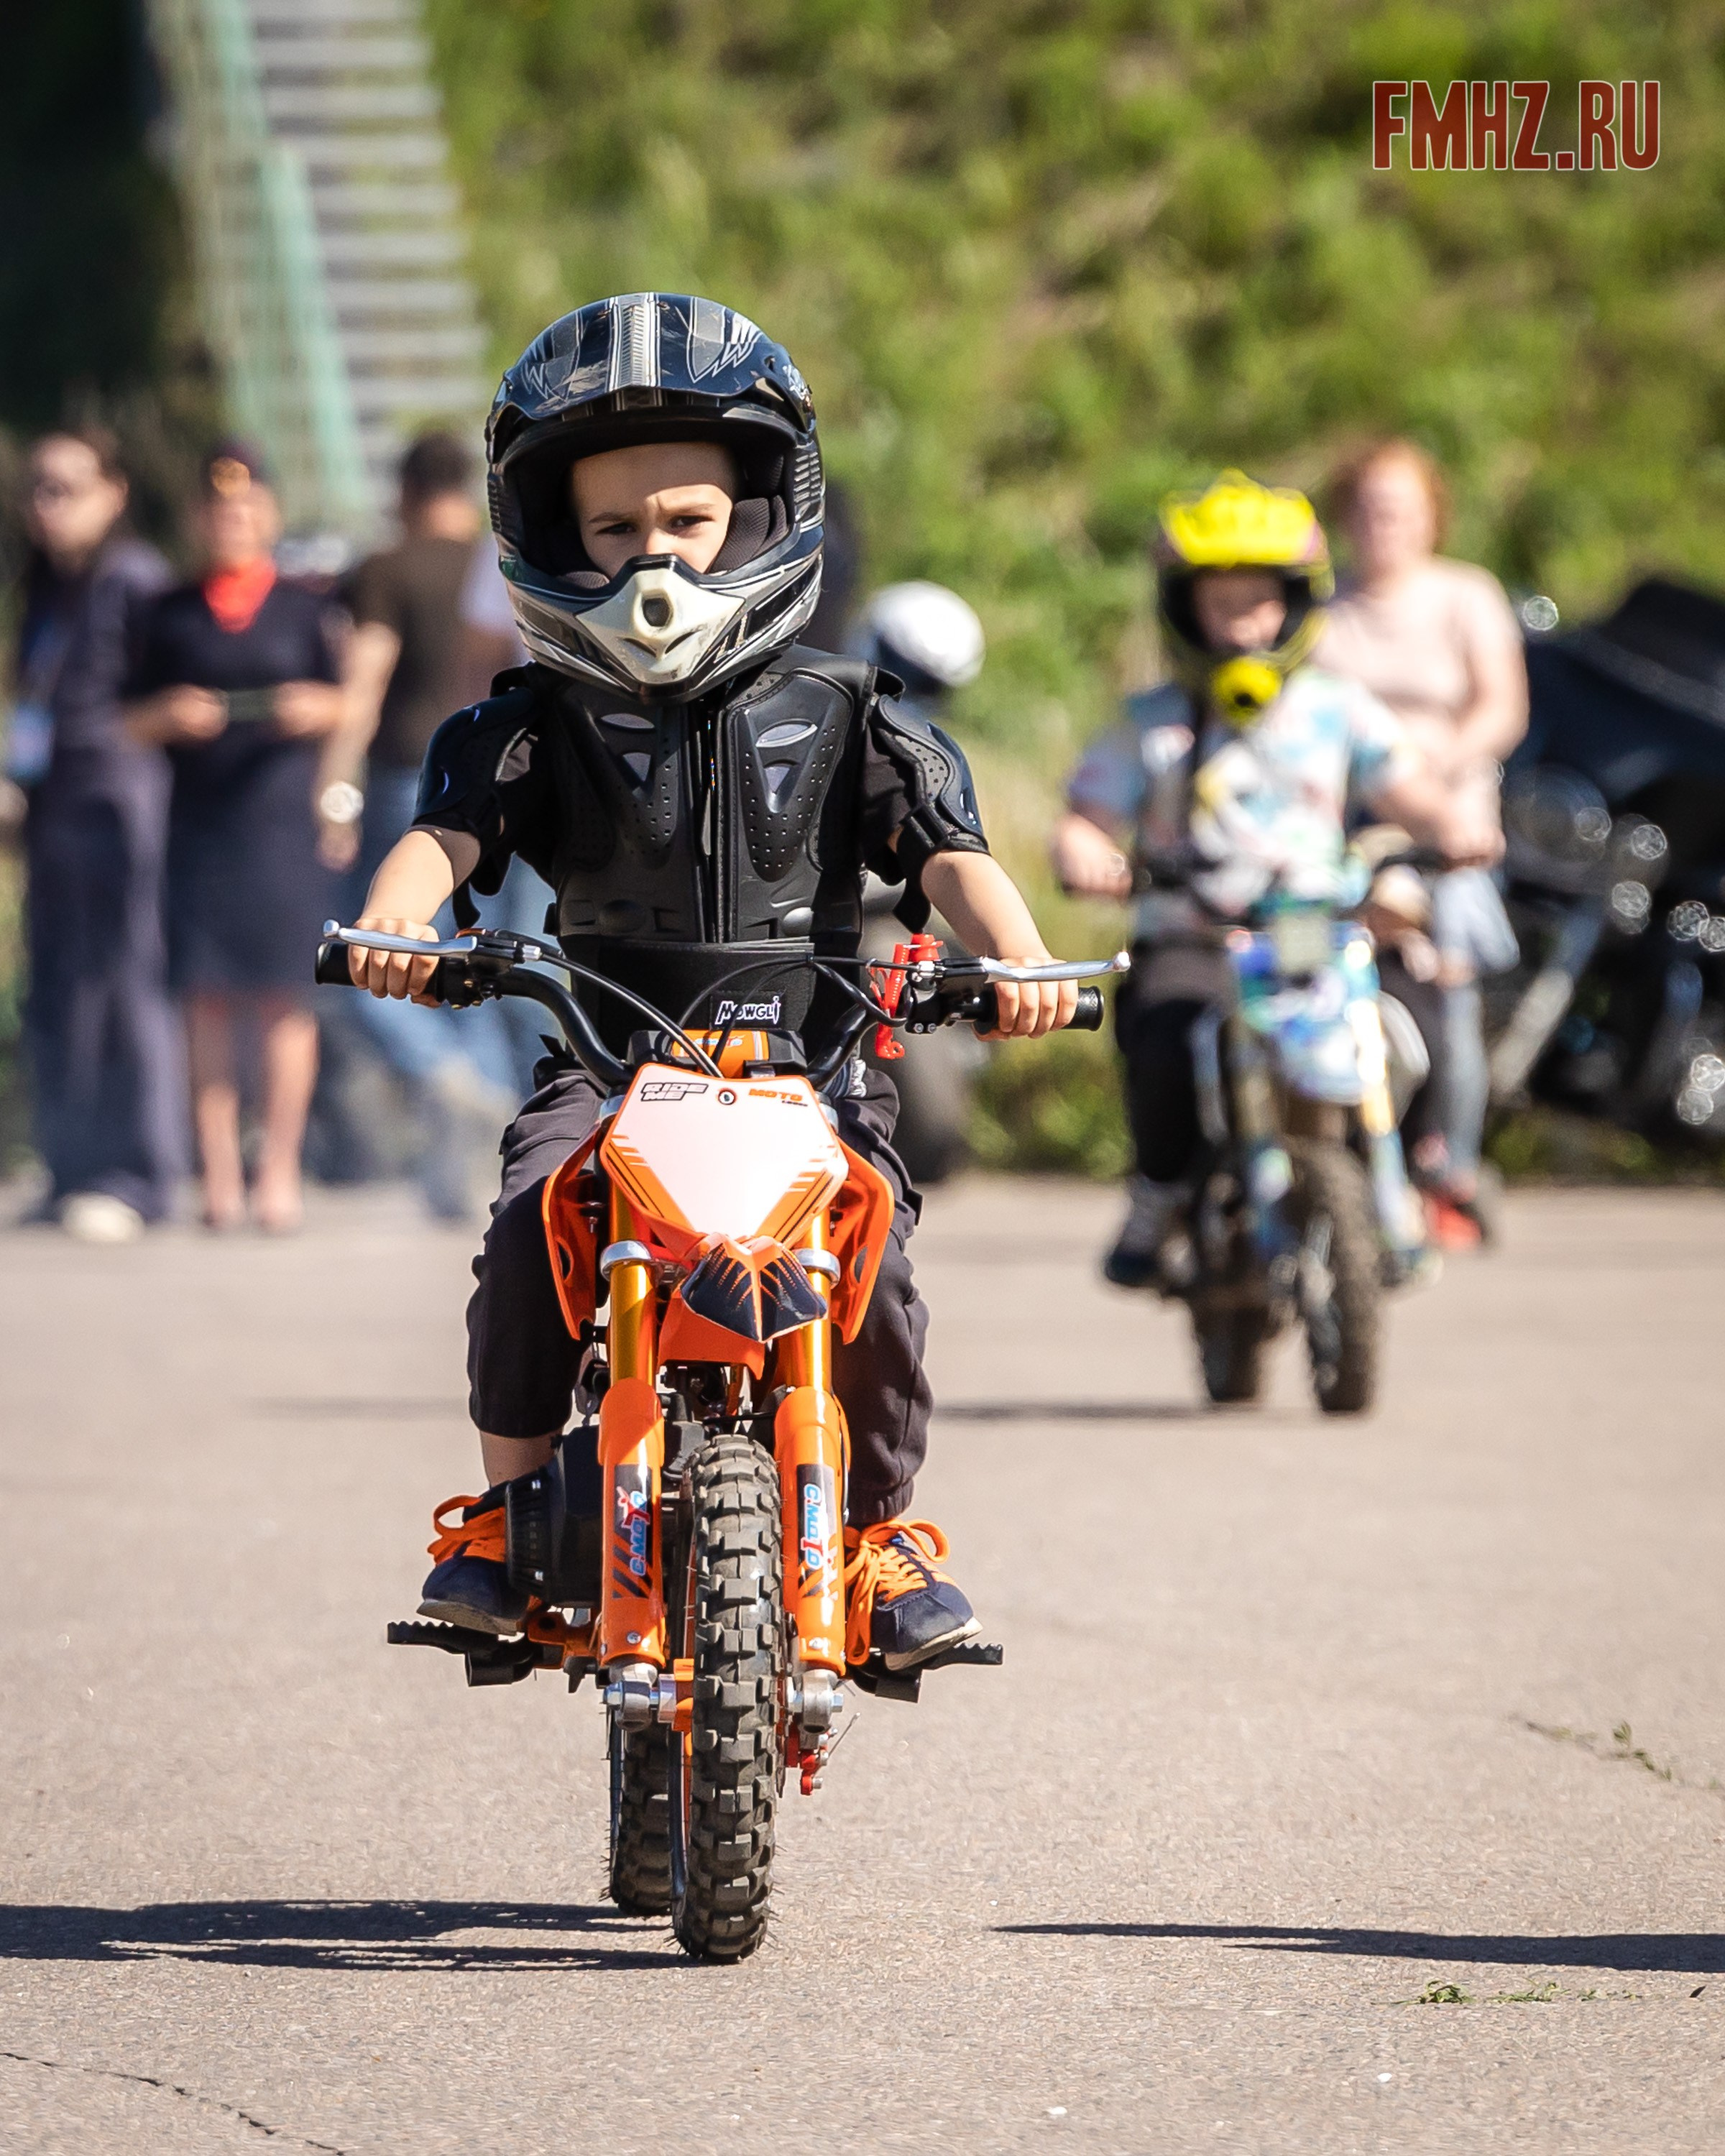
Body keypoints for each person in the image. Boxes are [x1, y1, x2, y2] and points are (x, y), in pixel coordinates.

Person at [347, 291, 1080, 1668]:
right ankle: (506, 1522)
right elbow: (441, 842)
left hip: (811, 1068)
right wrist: (396, 925)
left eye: (685, 523)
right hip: (607, 1069)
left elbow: (950, 859)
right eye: (612, 530)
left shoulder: (852, 709)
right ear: (548, 537)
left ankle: (873, 1534)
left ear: (762, 516)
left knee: (875, 1263)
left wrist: (1020, 959)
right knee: (524, 1234)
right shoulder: (525, 723)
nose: (651, 560)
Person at [1051, 471, 1496, 1286]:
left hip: (1310, 927)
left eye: (1259, 602)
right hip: (1196, 932)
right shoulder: (1150, 723)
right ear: (1185, 610)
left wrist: (1454, 828)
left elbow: (1410, 788)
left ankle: (1412, 1177)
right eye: (1222, 603)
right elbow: (1087, 815)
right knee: (1159, 1036)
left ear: (1295, 606)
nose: (1243, 623)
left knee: (1414, 1016)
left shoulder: (1338, 709)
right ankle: (1157, 1194)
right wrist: (1088, 853)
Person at [124, 444, 347, 1233]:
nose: (233, 521)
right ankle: (217, 1175)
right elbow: (128, 718)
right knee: (207, 1001)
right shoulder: (166, 610)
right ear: (197, 519)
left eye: (247, 508)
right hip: (201, 829)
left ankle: (277, 1168)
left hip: (282, 824)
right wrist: (170, 715)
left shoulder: (304, 606)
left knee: (286, 1001)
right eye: (218, 511)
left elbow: (345, 703)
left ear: (270, 515)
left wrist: (307, 709)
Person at [1317, 440, 1527, 1244]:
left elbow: (1502, 707)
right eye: (1369, 508)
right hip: (1346, 827)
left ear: (1431, 515)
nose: (1384, 525)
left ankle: (1450, 1161)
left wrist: (1424, 769)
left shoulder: (1465, 597)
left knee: (1448, 983)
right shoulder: (1325, 611)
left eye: (1399, 507)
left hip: (1447, 820)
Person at [326, 432, 525, 1217]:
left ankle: (452, 1079)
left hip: (411, 782)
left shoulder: (383, 569)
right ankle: (473, 1156)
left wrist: (332, 786)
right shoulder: (502, 564)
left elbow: (364, 679)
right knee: (483, 968)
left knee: (373, 957)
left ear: (406, 491)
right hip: (509, 783)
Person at [7, 428, 185, 1240]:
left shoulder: (135, 580)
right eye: (39, 488)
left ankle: (139, 1175)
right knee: (61, 990)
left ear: (113, 493)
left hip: (120, 807)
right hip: (54, 812)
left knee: (124, 985)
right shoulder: (50, 586)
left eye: (67, 487)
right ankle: (72, 1165)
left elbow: (174, 697)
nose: (48, 505)